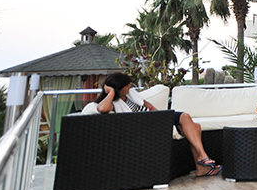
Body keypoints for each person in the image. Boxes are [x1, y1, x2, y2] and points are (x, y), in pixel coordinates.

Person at [85, 73, 221, 177]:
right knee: (192, 124)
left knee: (193, 124)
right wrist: (111, 93)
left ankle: (201, 165)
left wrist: (160, 115)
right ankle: (203, 159)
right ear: (119, 88)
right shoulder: (112, 103)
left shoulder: (130, 95)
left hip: (154, 118)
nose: (130, 86)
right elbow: (101, 108)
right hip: (146, 124)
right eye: (127, 85)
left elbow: (146, 104)